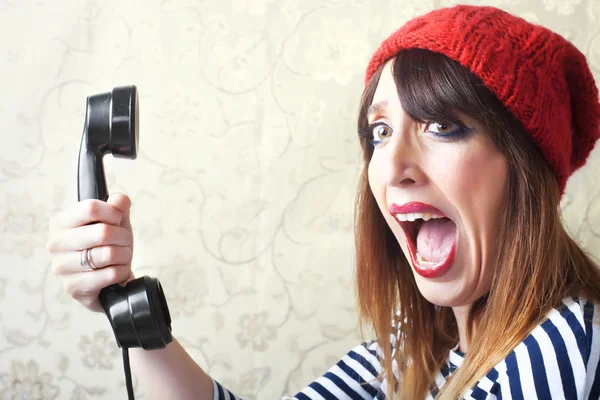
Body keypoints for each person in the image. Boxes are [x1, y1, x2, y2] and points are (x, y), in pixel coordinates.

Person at [46, 5, 600, 400]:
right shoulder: (416, 346)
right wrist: (127, 310)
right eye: (379, 132)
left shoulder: (562, 346)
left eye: (442, 124)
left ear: (523, 170)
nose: (393, 167)